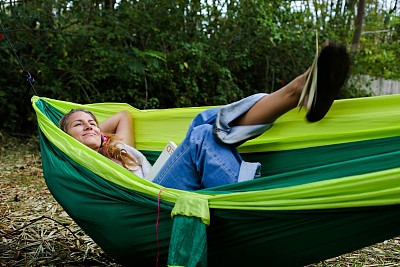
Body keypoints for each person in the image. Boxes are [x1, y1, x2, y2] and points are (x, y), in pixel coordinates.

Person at [58, 43, 350, 190]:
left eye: (92, 121)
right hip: (149, 199)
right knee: (199, 137)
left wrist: (95, 132)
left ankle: (299, 90)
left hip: (165, 183)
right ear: (65, 137)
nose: (89, 125)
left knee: (203, 122)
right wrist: (77, 138)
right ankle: (296, 91)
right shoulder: (81, 167)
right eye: (78, 125)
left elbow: (123, 115)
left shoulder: (119, 147)